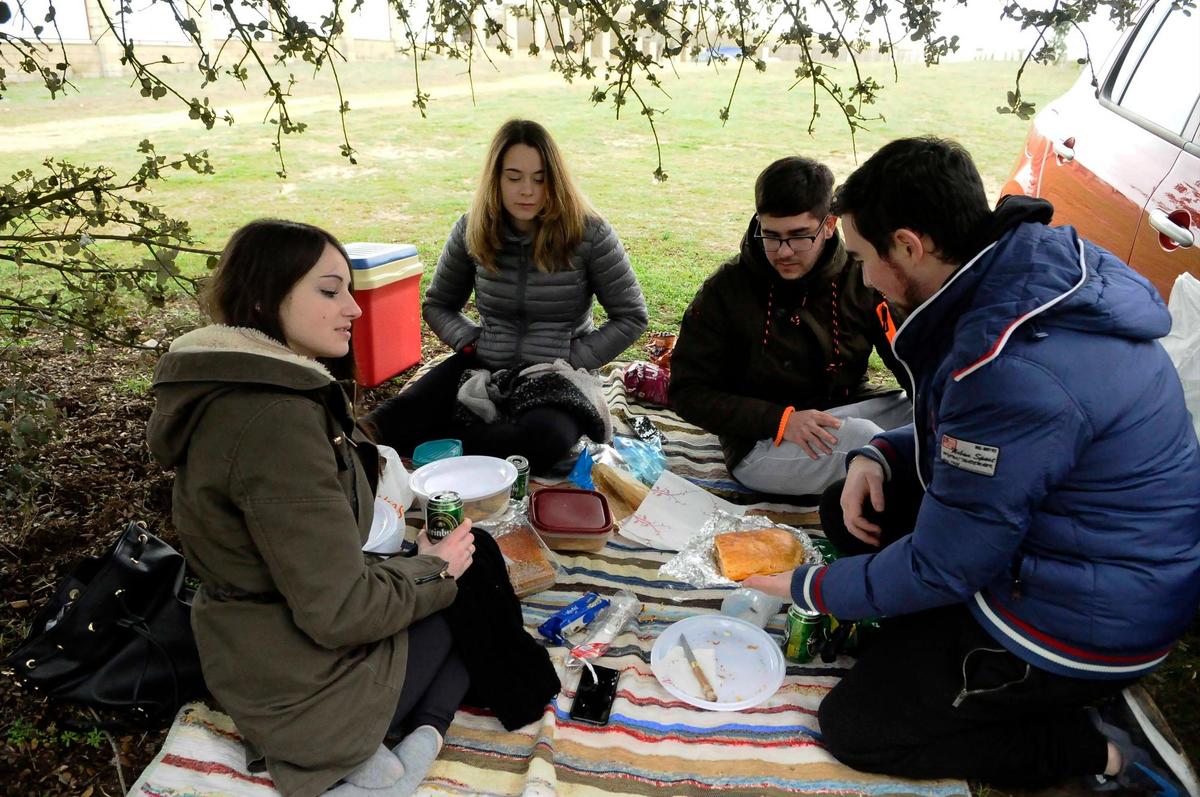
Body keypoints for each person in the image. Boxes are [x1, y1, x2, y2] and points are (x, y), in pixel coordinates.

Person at [746, 138, 1200, 794]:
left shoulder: (1011, 369)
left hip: (1085, 622)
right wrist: (881, 451)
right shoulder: (1012, 279)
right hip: (1071, 547)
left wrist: (808, 588)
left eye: (866, 256)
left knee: (858, 724)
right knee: (851, 500)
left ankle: (1092, 744)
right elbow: (970, 436)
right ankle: (929, 648)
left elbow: (945, 565)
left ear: (908, 245)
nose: (864, 275)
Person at [148, 219, 477, 797]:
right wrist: (435, 570)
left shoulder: (263, 389)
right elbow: (340, 613)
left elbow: (315, 545)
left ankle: (403, 744)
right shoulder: (273, 422)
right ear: (262, 297)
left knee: (457, 573)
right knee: (474, 591)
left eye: (349, 289)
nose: (353, 308)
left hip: (264, 639)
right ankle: (394, 752)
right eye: (330, 291)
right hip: (295, 679)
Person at [366, 119, 648, 473]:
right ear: (496, 179)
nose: (526, 190)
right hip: (484, 363)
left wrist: (576, 355)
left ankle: (444, 444)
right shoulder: (472, 228)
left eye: (539, 178)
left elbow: (632, 316)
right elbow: (438, 304)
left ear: (555, 180)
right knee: (388, 419)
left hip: (556, 373)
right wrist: (468, 341)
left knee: (547, 441)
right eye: (514, 177)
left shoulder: (589, 233)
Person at [669, 156, 910, 498]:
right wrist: (780, 419)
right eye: (771, 235)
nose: (783, 252)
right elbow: (687, 392)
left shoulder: (862, 278)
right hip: (763, 441)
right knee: (867, 442)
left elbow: (906, 359)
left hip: (845, 408)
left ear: (829, 225)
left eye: (799, 236)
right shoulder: (725, 291)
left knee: (925, 416)